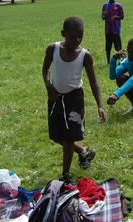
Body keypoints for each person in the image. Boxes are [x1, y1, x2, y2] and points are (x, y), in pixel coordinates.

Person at [42, 16, 106, 184]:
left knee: (69, 137)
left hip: (74, 99)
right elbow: (45, 68)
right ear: (63, 33)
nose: (76, 40)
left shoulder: (85, 56)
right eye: (72, 36)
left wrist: (100, 105)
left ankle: (65, 174)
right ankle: (85, 152)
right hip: (55, 98)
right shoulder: (53, 49)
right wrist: (49, 86)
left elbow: (93, 81)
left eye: (80, 36)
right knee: (56, 136)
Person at [101, 0, 124, 65]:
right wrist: (104, 15)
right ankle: (108, 62)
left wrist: (115, 17)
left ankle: (121, 62)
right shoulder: (105, 5)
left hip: (116, 30)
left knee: (118, 47)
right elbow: (102, 17)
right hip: (108, 30)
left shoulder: (119, 5)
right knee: (108, 47)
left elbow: (122, 16)